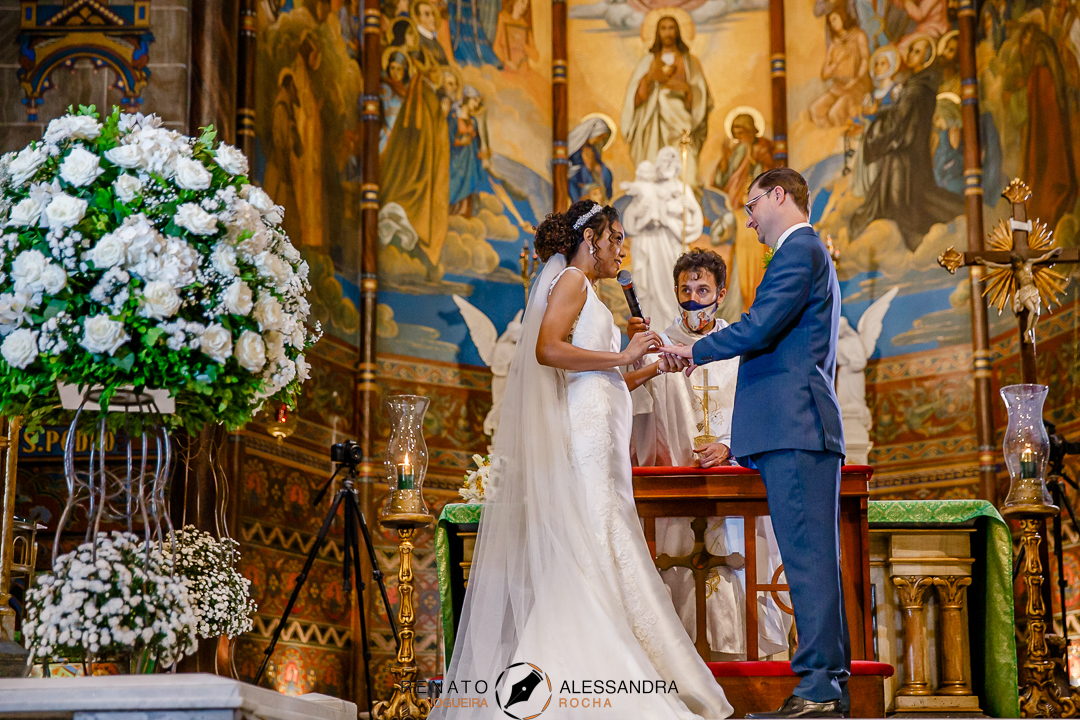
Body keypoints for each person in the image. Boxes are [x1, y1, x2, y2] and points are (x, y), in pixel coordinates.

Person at [433, 199, 734, 719]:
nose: (622, 249)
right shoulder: (572, 279)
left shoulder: (589, 291)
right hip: (588, 435)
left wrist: (649, 366)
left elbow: (601, 377)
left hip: (604, 425)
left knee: (604, 537)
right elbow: (547, 349)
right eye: (616, 238)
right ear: (591, 239)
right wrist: (622, 354)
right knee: (594, 539)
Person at [661, 168, 850, 719]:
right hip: (794, 427)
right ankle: (826, 685)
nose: (747, 220)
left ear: (777, 196)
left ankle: (818, 690)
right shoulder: (803, 254)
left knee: (808, 560)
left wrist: (689, 353)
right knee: (810, 557)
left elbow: (762, 327)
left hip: (795, 426)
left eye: (751, 205)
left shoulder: (798, 250)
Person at [628, 249, 792, 661]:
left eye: (703, 289)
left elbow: (762, 409)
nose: (693, 299)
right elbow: (634, 418)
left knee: (738, 575)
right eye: (686, 289)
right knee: (679, 584)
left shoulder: (740, 349)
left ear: (720, 295)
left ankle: (744, 669)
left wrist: (729, 447)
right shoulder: (657, 349)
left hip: (734, 491)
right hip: (677, 495)